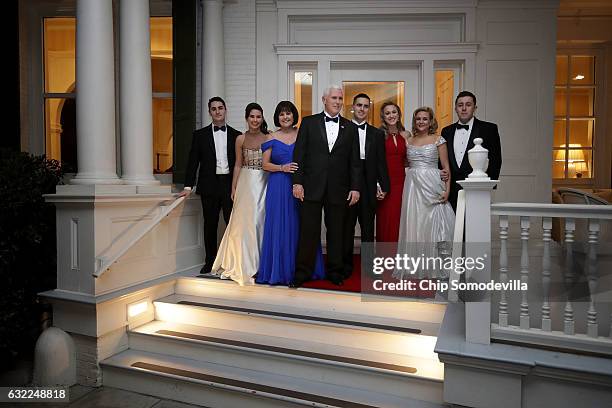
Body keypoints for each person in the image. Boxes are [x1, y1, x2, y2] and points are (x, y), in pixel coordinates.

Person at [291, 85, 362, 287]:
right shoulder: (309, 123)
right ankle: (302, 272)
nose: (338, 102)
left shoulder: (350, 127)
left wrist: (355, 187)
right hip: (311, 187)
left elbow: (355, 162)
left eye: (340, 98)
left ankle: (335, 272)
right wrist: (297, 182)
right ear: (324, 99)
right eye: (334, 98)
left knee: (336, 233)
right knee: (308, 232)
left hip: (339, 189)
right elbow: (300, 155)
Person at [257, 101, 325, 285]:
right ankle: (279, 271)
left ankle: (303, 269)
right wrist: (282, 167)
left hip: (301, 186)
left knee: (301, 226)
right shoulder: (270, 136)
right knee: (279, 226)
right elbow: (264, 165)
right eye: (281, 114)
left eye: (288, 113)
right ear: (277, 118)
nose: (285, 117)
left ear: (294, 115)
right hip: (279, 186)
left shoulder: (302, 133)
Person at [180, 97, 241, 275]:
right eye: (213, 109)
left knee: (233, 224)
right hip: (209, 185)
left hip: (230, 185)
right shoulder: (199, 135)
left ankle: (233, 261)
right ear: (210, 112)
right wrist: (187, 186)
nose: (217, 111)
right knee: (210, 225)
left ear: (225, 110)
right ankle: (210, 261)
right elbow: (193, 162)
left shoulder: (237, 135)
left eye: (220, 108)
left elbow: (241, 162)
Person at [211, 103, 269, 285]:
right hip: (245, 182)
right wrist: (234, 187)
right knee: (242, 223)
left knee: (260, 221)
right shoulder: (240, 139)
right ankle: (240, 262)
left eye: (258, 117)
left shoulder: (269, 137)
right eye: (252, 116)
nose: (255, 120)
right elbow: (237, 164)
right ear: (246, 118)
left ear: (262, 118)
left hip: (264, 182)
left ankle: (260, 264)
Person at [396, 107, 455, 280]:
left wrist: (447, 190)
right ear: (415, 121)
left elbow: (446, 168)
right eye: (418, 119)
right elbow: (405, 162)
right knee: (415, 222)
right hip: (413, 185)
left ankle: (435, 266)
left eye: (425, 119)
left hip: (432, 183)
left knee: (433, 223)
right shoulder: (409, 140)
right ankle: (416, 264)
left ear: (431, 121)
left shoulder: (438, 139)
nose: (421, 122)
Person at [342, 93, 390, 279]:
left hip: (369, 187)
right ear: (352, 107)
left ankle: (369, 268)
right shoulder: (342, 129)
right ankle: (346, 267)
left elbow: (381, 162)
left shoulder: (377, 134)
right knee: (346, 228)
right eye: (358, 105)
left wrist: (383, 186)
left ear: (369, 109)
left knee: (369, 229)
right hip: (347, 186)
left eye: (365, 106)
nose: (362, 109)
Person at [441, 91, 502, 212]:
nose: (464, 108)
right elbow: (442, 160)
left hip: (477, 189)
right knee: (454, 228)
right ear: (455, 108)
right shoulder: (446, 131)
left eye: (468, 105)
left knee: (475, 226)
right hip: (451, 190)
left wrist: (487, 186)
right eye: (460, 105)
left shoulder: (489, 129)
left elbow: (496, 159)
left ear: (475, 107)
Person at [376, 102, 408, 245]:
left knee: (401, 219)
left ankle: (401, 257)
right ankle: (387, 259)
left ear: (399, 114)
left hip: (403, 183)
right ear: (383, 116)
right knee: (387, 219)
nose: (391, 115)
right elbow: (374, 163)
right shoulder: (378, 135)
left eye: (394, 112)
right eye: (387, 113)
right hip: (385, 184)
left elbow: (410, 160)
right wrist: (378, 185)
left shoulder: (406, 135)